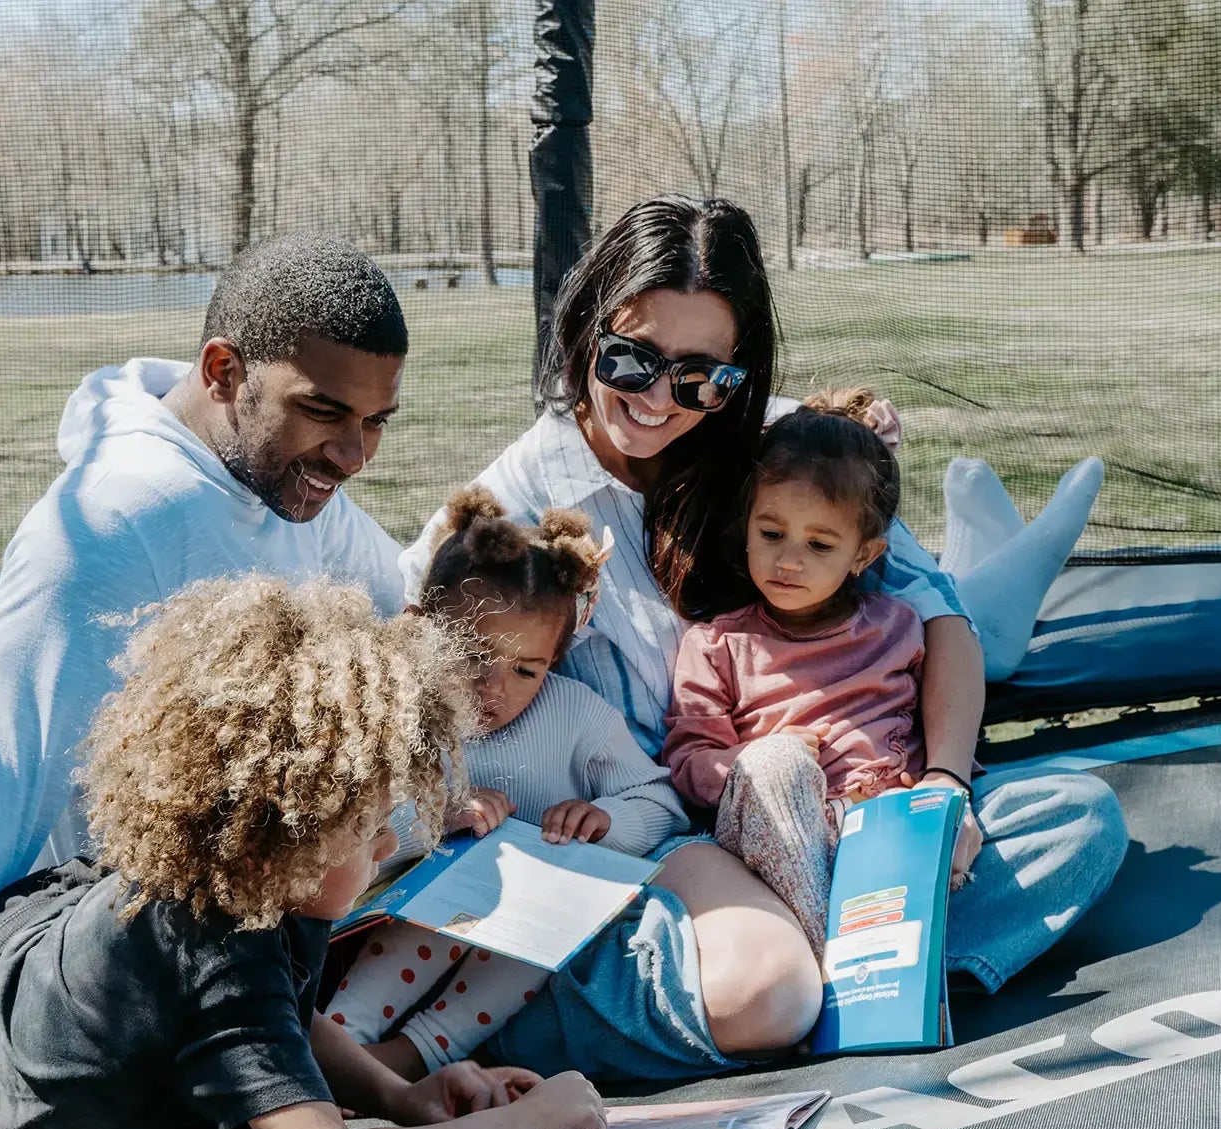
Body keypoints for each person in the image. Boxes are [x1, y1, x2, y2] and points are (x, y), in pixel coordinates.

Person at [400, 196, 1128, 1078]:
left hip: (852, 816)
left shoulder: (790, 450)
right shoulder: (505, 519)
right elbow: (404, 675)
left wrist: (941, 785)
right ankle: (801, 978)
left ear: (737, 373)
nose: (660, 398)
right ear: (584, 328)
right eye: (630, 358)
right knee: (760, 988)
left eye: (700, 375)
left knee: (1078, 818)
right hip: (653, 846)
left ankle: (852, 975)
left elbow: (941, 622)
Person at [0, 234, 419, 1129]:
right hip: (107, 981)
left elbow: (406, 606)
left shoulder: (288, 485)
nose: (354, 454)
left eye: (378, 420)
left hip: (259, 933)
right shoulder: (107, 532)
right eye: (325, 412)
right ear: (223, 371)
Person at [0, 575, 607, 1129]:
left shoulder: (268, 878)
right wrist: (529, 1127)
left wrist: (400, 1096)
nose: (382, 847)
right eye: (367, 828)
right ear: (272, 839)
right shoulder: (211, 940)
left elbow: (272, 1005)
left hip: (74, 936)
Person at [325, 487, 688, 1073]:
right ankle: (338, 1044)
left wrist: (604, 820)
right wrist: (434, 821)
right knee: (445, 916)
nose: (493, 688)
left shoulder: (576, 714)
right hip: (386, 921)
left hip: (523, 925)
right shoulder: (393, 707)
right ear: (421, 628)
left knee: (546, 920)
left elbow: (662, 803)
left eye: (525, 669)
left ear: (556, 658)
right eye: (472, 655)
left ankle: (414, 1055)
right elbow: (343, 828)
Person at [661, 391, 940, 960]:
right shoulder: (717, 644)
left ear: (864, 554)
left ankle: (923, 952)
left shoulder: (900, 628)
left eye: (819, 544)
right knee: (777, 762)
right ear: (747, 528)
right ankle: (826, 957)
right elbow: (690, 766)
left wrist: (914, 793)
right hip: (776, 850)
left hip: (882, 845)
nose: (789, 560)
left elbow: (926, 738)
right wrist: (764, 760)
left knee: (1079, 814)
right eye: (771, 535)